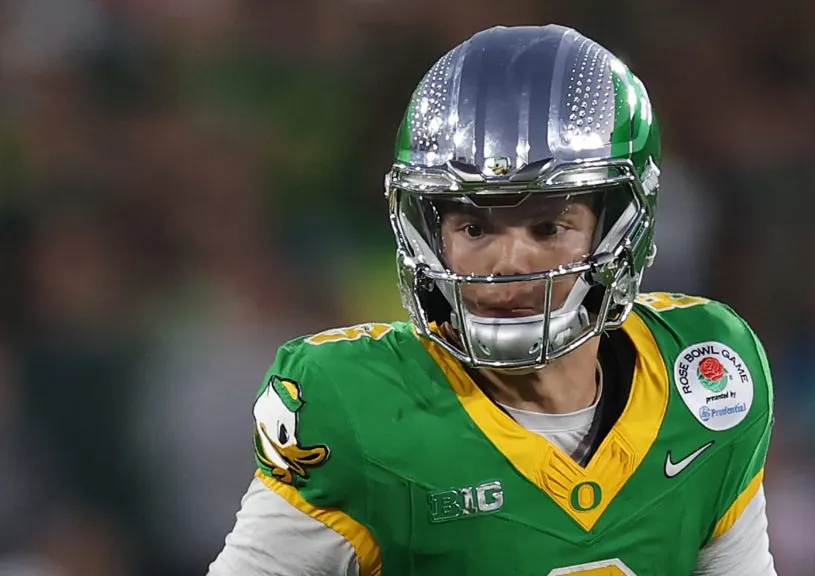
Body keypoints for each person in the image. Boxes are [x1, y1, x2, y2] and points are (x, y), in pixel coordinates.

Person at [208, 24, 776, 576]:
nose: (509, 262)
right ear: (430, 234)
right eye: (476, 228)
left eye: (549, 227)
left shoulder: (704, 379)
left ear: (620, 227)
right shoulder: (356, 407)